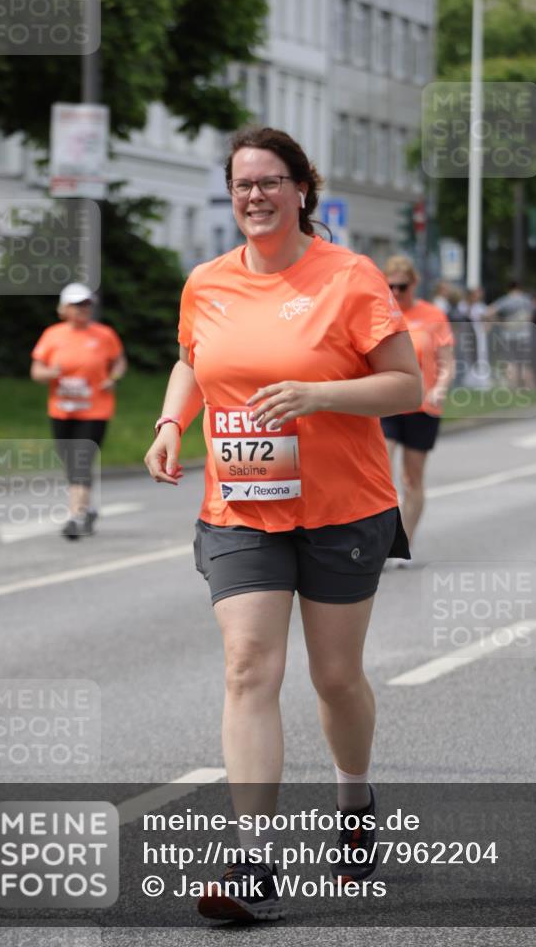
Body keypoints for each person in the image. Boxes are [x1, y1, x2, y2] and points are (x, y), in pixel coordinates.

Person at [144, 126, 422, 921]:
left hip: (343, 506)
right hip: (240, 506)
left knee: (334, 678)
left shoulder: (350, 277)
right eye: (242, 185)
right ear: (229, 195)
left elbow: (402, 385)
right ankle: (253, 860)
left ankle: (353, 801)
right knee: (246, 666)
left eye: (270, 182)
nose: (255, 196)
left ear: (303, 188)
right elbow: (194, 359)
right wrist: (170, 424)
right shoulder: (207, 281)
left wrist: (319, 394)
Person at [31, 282, 126, 539]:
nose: (82, 309)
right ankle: (88, 507)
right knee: (70, 463)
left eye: (86, 304)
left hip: (95, 410)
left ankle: (76, 516)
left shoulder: (104, 334)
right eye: (76, 305)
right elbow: (36, 371)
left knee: (81, 461)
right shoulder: (52, 335)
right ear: (63, 309)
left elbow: (119, 361)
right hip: (62, 411)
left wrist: (113, 377)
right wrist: (50, 373)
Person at [379, 256, 455, 560]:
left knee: (412, 479)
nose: (396, 293)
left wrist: (440, 389)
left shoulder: (432, 315)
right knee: (382, 473)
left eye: (402, 286)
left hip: (423, 407)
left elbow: (447, 364)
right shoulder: (381, 314)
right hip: (388, 402)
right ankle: (382, 544)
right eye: (390, 286)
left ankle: (404, 543)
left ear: (414, 284)